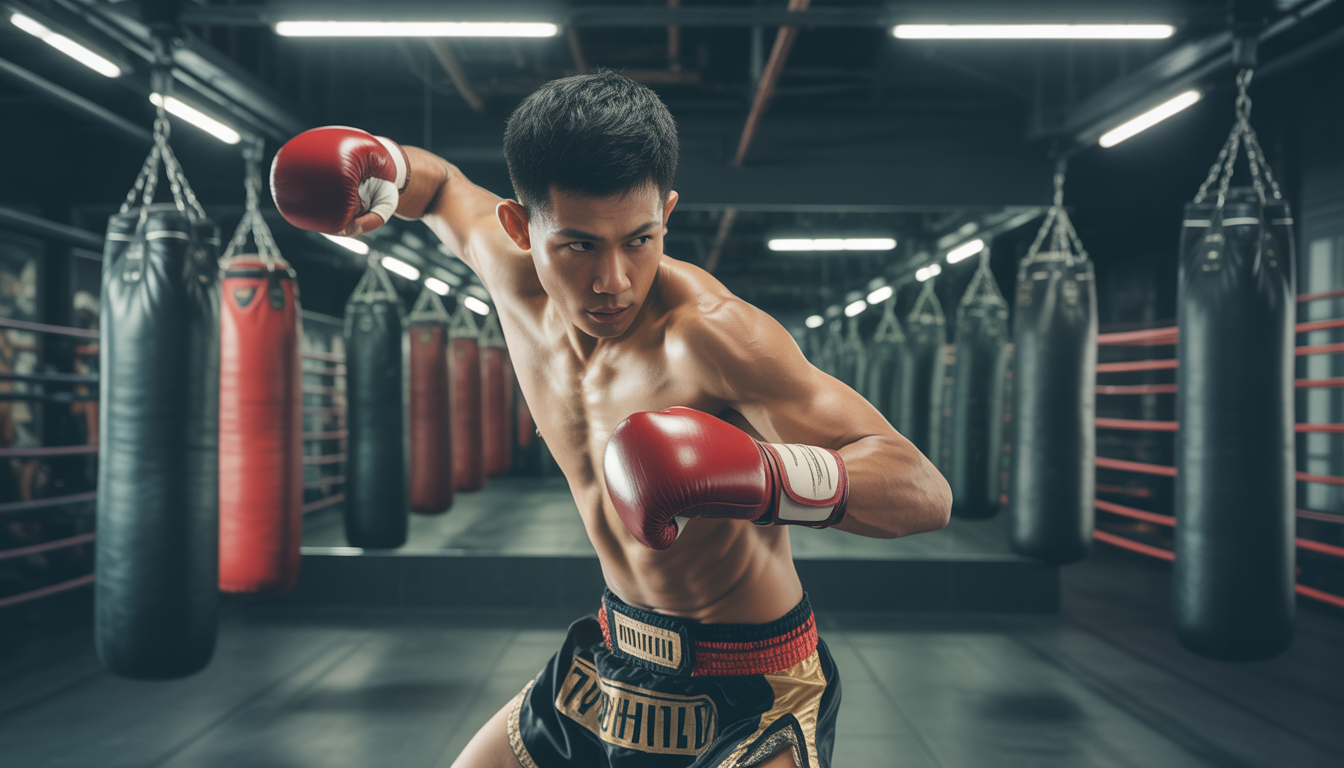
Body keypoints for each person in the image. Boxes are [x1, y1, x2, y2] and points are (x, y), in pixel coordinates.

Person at [271, 71, 951, 768]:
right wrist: (388, 166)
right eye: (579, 246)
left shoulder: (711, 336)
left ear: (669, 214)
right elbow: (442, 191)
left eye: (639, 239)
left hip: (751, 685)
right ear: (519, 228)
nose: (614, 281)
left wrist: (763, 474)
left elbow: (923, 489)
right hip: (609, 660)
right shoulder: (510, 278)